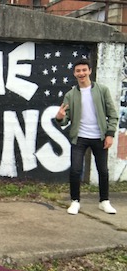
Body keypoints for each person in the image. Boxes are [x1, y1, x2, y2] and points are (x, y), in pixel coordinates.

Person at [55, 58, 119, 215]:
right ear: (74, 73)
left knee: (103, 170)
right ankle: (75, 201)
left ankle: (104, 201)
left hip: (100, 137)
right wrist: (59, 117)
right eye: (78, 71)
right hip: (79, 137)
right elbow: (65, 120)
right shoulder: (70, 95)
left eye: (84, 70)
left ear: (90, 71)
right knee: (75, 170)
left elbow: (113, 114)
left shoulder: (102, 90)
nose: (81, 73)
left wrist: (109, 134)